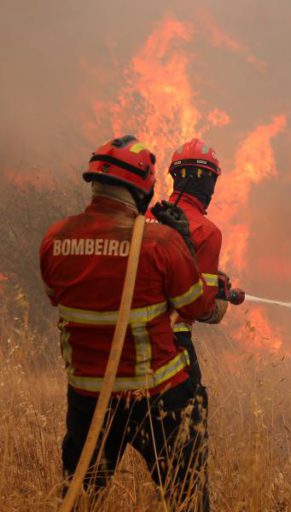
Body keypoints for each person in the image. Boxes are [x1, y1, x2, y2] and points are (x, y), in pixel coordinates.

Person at [39, 135, 215, 510]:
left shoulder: (54, 239)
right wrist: (185, 244)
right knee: (186, 497)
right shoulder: (160, 243)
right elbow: (199, 307)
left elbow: (58, 296)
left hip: (88, 398)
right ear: (142, 190)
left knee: (82, 497)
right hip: (158, 397)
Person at [150, 138, 242, 390]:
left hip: (131, 339)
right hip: (173, 340)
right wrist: (220, 296)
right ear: (208, 181)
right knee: (192, 410)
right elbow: (200, 309)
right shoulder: (207, 232)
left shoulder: (145, 216)